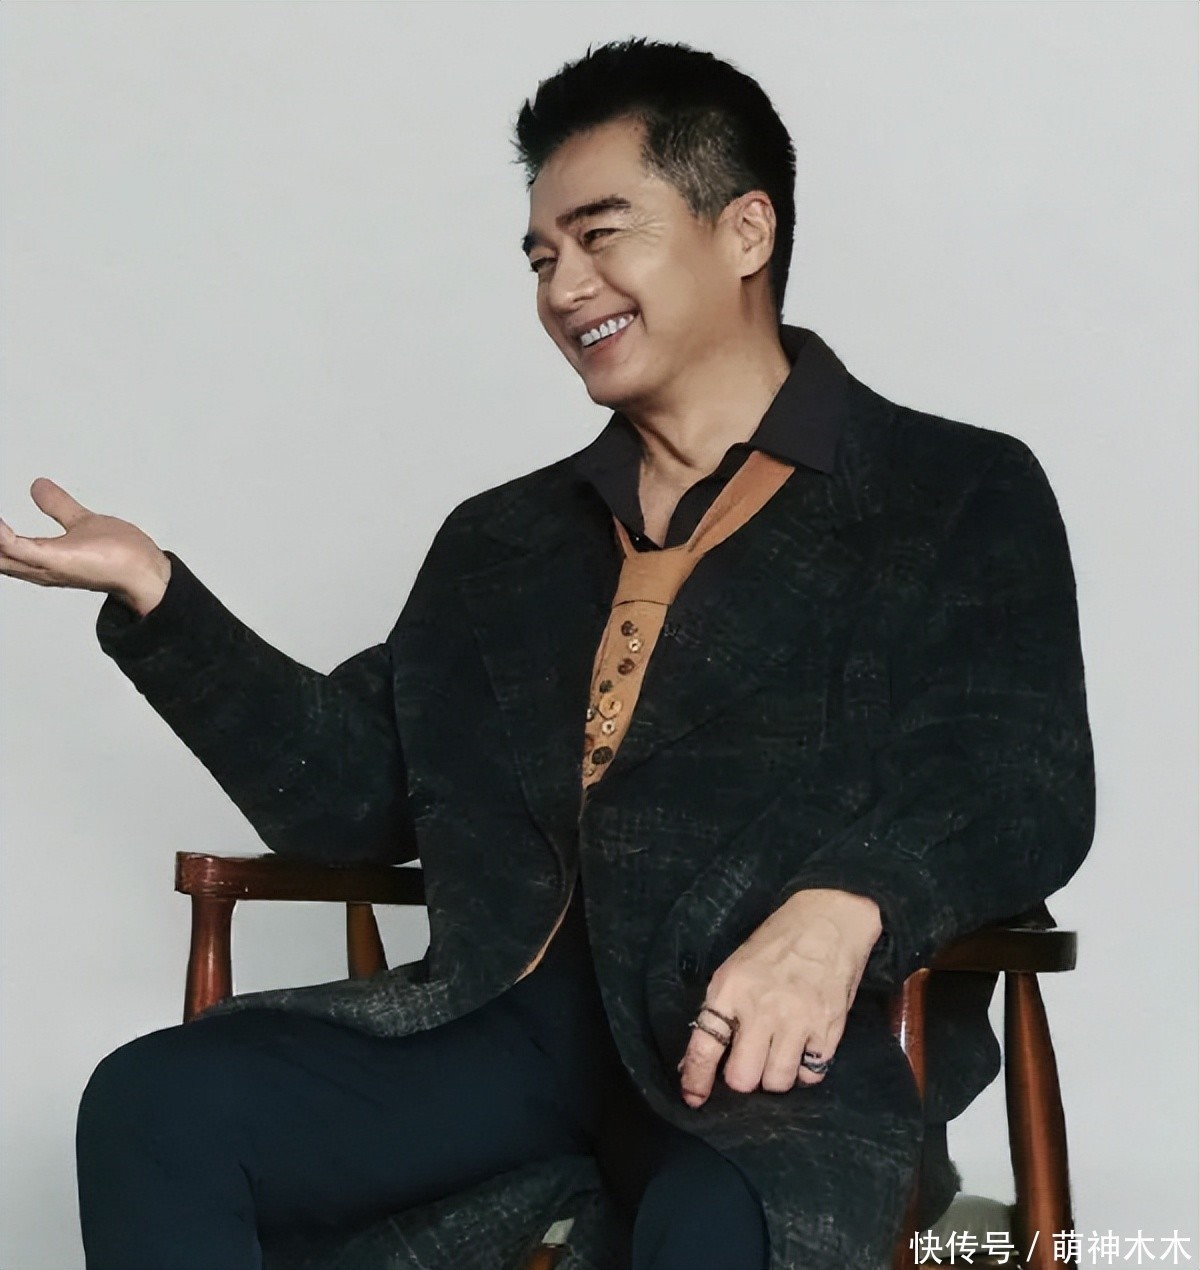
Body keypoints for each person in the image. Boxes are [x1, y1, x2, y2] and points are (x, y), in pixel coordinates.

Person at [0, 37, 1094, 1270]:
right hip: (504, 1026)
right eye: (540, 256)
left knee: (721, 1223)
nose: (565, 287)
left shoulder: (947, 490)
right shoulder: (506, 542)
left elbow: (1018, 775)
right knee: (159, 1105)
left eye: (599, 234)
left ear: (745, 231)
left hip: (762, 1056)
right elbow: (353, 796)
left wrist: (844, 911)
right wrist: (160, 599)